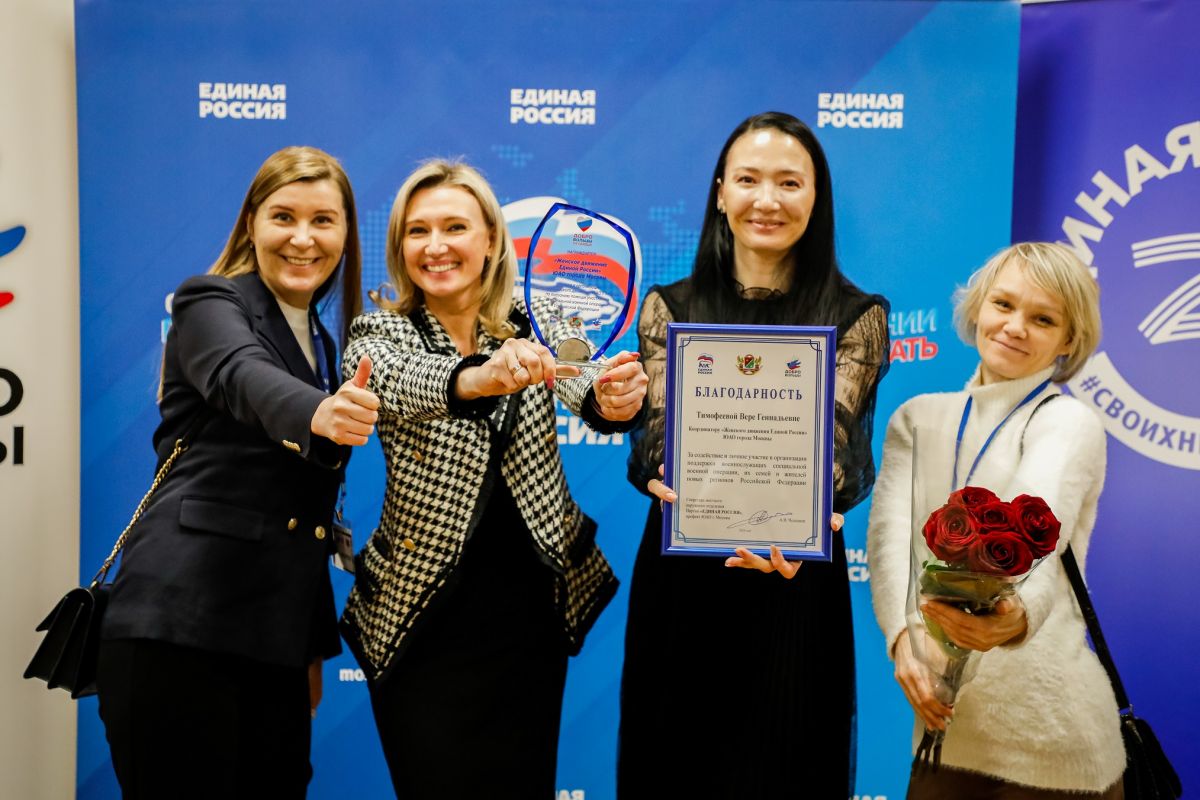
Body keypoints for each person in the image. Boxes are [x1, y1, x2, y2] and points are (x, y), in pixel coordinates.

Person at [338, 159, 648, 798]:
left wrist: (616, 401)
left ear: (491, 241)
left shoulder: (537, 317)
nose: (436, 245)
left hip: (529, 616)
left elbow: (584, 378)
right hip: (420, 618)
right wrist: (481, 375)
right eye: (417, 231)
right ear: (400, 247)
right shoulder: (381, 328)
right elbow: (400, 383)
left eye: (455, 226)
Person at [621, 111, 890, 798]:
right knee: (673, 769)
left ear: (816, 198)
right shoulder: (668, 308)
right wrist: (661, 474)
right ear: (719, 192)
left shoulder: (855, 316)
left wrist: (802, 518)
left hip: (791, 577)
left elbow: (836, 454)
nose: (766, 199)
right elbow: (656, 446)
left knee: (786, 764)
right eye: (748, 179)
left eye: (789, 182)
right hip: (685, 581)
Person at [96, 145, 379, 799]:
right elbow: (242, 378)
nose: (303, 238)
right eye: (283, 216)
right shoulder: (208, 302)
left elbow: (306, 514)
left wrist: (307, 646)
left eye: (324, 220)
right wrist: (321, 412)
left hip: (271, 645)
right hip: (179, 627)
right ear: (252, 222)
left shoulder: (325, 342)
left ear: (345, 232)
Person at [867, 242, 1124, 798]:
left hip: (1055, 744)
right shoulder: (917, 418)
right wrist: (902, 644)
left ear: (1068, 340)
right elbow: (890, 545)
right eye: (1004, 304)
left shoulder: (1069, 422)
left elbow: (1040, 533)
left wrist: (1013, 615)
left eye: (1043, 318)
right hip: (944, 732)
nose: (1015, 326)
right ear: (978, 306)